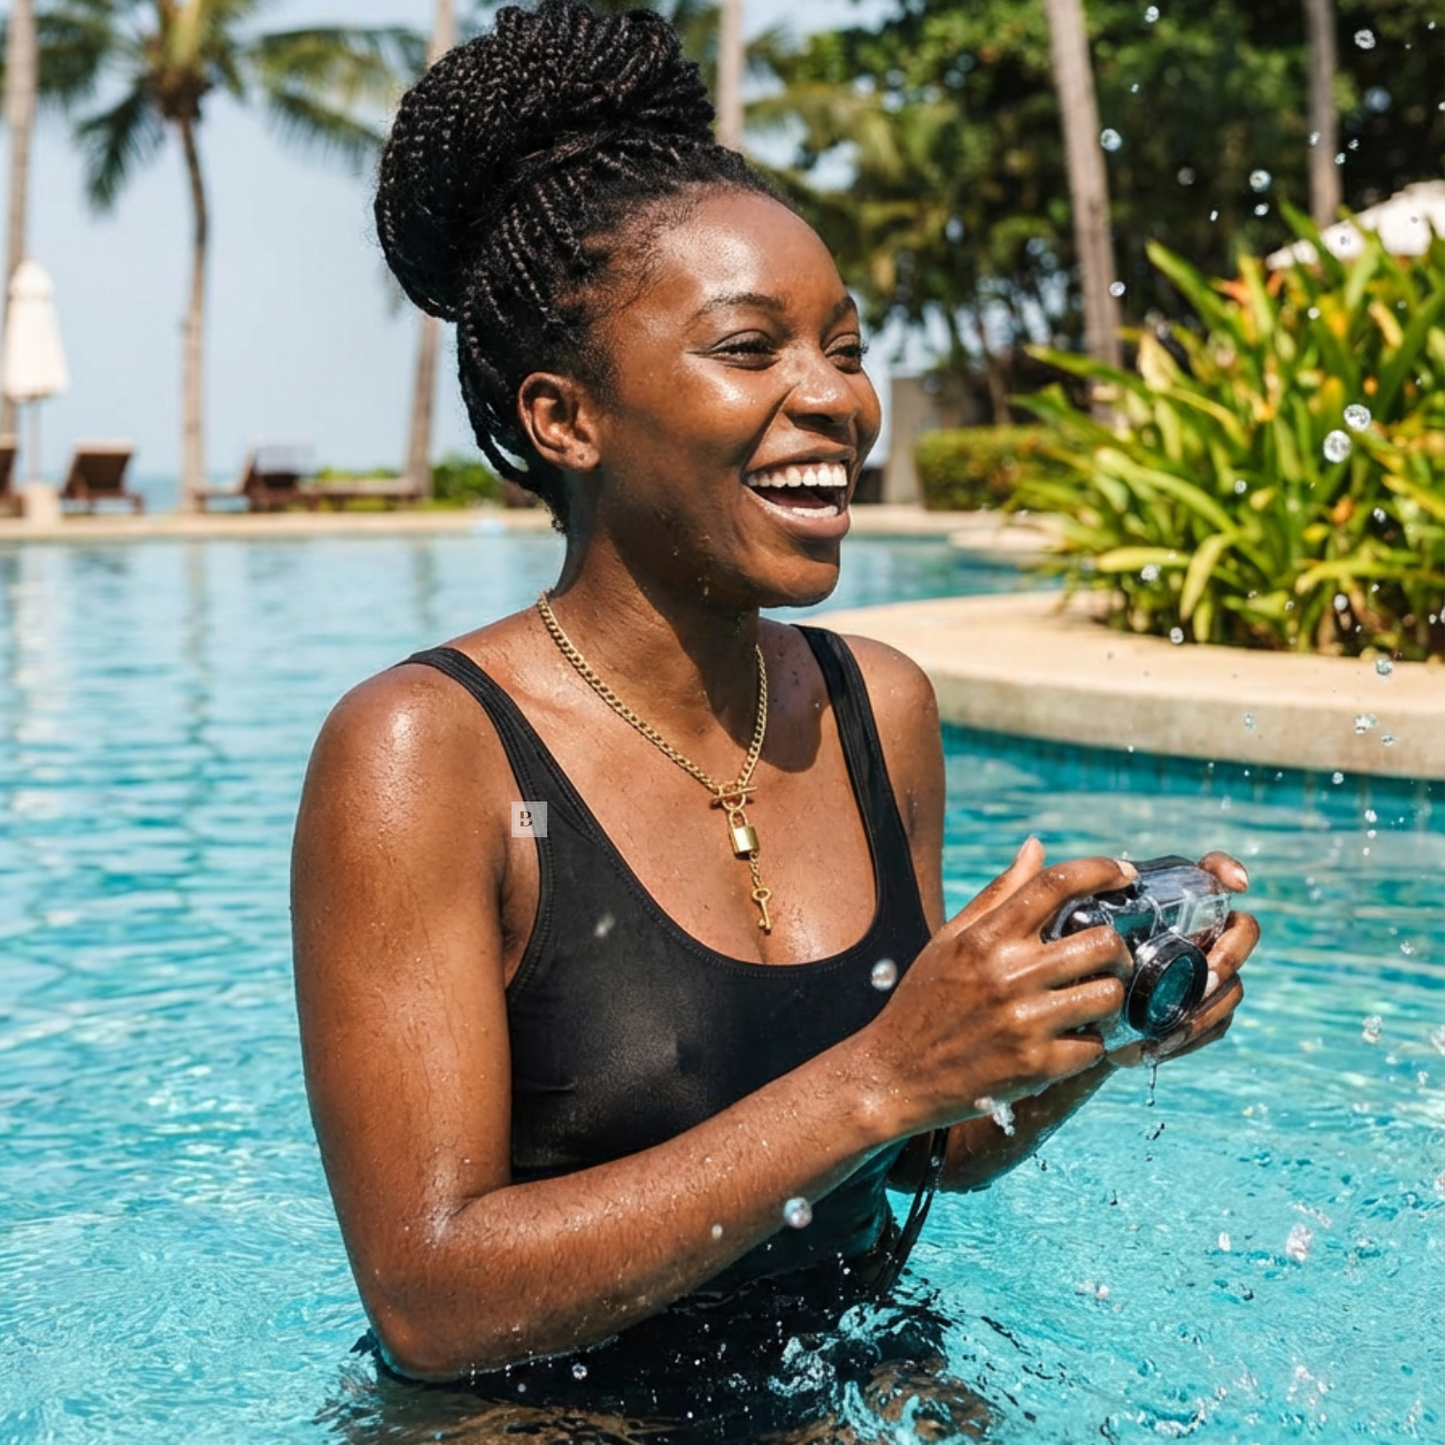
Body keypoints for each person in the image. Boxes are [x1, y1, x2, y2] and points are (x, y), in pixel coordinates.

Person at [291, 3, 1257, 1438]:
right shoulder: (425, 752)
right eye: (753, 349)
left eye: (846, 346)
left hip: (858, 1391)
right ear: (566, 418)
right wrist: (881, 1076)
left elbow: (926, 1146)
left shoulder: (879, 708)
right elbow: (430, 1298)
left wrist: (1068, 1035)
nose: (839, 402)